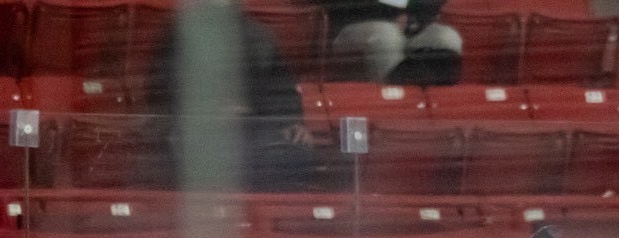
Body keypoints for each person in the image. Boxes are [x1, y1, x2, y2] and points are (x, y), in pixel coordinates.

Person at [143, 10, 314, 192]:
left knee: (296, 157)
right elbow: (160, 91)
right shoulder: (180, 34)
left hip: (251, 129)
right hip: (197, 130)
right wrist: (212, 110)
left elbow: (281, 88)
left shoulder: (257, 34)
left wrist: (290, 122)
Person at [317, 0, 463, 84]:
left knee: (447, 37)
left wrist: (415, 19)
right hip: (352, 24)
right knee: (386, 35)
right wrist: (389, 15)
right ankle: (392, 106)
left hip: (410, 27)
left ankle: (436, 112)